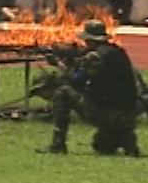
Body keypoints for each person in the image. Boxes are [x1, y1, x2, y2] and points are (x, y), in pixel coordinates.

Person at [37, 20, 142, 157]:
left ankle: (58, 144)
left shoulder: (94, 57)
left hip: (106, 113)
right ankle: (126, 140)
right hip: (127, 114)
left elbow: (76, 82)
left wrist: (60, 65)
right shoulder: (118, 52)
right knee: (102, 147)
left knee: (62, 93)